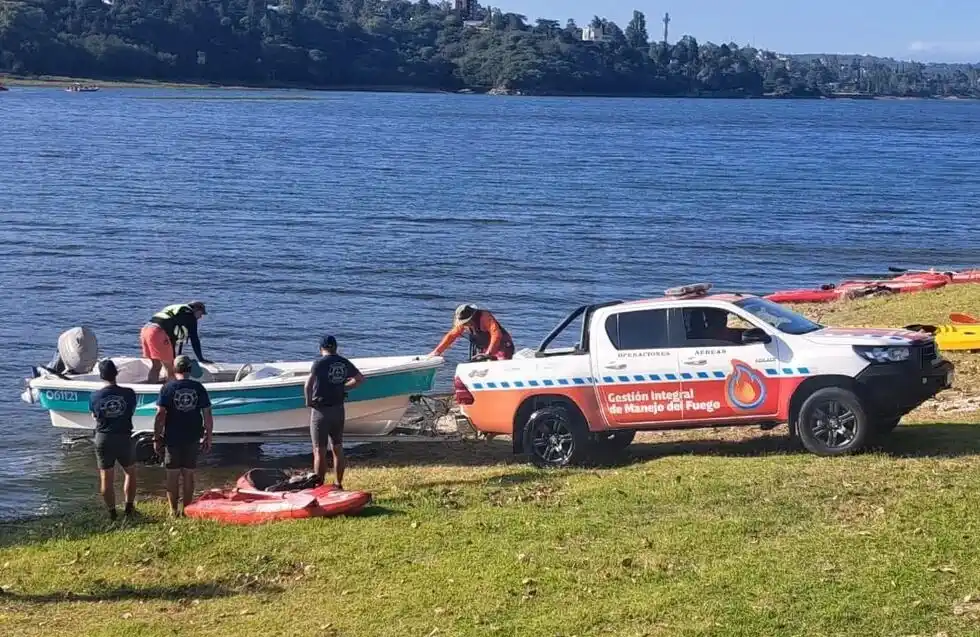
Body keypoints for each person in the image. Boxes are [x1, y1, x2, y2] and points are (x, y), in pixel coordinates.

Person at [152, 355, 213, 517]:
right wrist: (209, 435)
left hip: (172, 437)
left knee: (172, 474)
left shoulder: (167, 388)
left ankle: (173, 511)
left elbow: (160, 415)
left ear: (175, 368)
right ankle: (187, 509)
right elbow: (207, 414)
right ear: (190, 369)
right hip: (192, 436)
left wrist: (156, 437)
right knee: (188, 474)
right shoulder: (199, 388)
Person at [304, 335, 364, 488]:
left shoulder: (318, 363)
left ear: (320, 348)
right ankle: (338, 483)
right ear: (336, 347)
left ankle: (319, 486)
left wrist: (309, 402)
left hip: (321, 411)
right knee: (337, 447)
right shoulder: (343, 362)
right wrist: (344, 387)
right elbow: (359, 378)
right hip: (338, 409)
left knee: (319, 450)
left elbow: (308, 386)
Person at [88, 359, 138, 521]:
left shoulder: (94, 396)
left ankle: (112, 512)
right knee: (130, 473)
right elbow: (131, 410)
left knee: (106, 477)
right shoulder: (129, 393)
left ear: (101, 376)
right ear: (116, 373)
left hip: (103, 437)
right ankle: (129, 507)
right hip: (123, 436)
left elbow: (94, 415)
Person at [140, 301, 211, 383]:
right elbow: (194, 338)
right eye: (201, 313)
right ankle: (173, 390)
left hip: (146, 330)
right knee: (170, 369)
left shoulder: (177, 311)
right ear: (195, 309)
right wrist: (201, 358)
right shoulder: (190, 316)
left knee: (156, 366)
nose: (201, 317)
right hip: (158, 332)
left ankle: (151, 388)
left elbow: (171, 336)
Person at [430, 303, 515, 361]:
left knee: (499, 366)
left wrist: (488, 353)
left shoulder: (484, 317)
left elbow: (496, 335)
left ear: (471, 317)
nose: (464, 324)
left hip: (502, 347)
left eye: (466, 322)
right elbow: (451, 336)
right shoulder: (464, 324)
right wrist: (437, 352)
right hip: (485, 349)